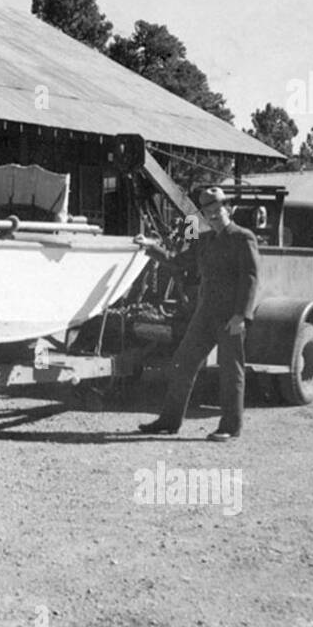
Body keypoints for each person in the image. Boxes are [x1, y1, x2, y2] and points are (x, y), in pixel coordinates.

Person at [133, 186, 260, 441]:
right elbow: (177, 260)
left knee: (230, 370)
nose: (213, 216)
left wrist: (241, 315)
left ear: (229, 209)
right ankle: (169, 421)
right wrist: (150, 246)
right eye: (208, 212)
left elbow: (251, 278)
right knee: (182, 363)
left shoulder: (243, 237)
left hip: (230, 317)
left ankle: (230, 427)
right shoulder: (204, 240)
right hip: (204, 314)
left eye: (217, 210)